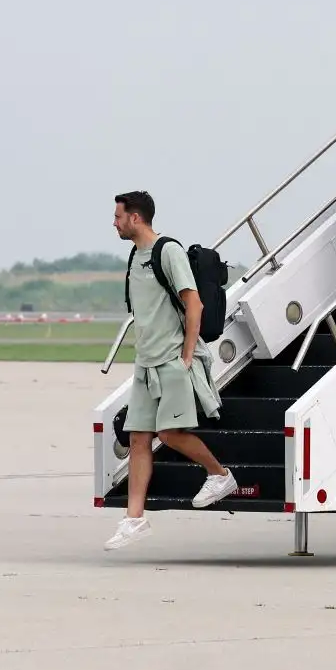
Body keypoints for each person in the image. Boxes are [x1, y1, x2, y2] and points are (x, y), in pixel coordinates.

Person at [104, 190, 234, 551]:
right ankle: (134, 521)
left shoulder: (168, 251)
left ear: (135, 218)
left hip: (171, 360)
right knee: (138, 438)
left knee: (169, 432)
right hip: (146, 362)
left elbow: (194, 302)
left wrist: (188, 353)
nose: (113, 223)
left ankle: (220, 475)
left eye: (117, 217)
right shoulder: (136, 255)